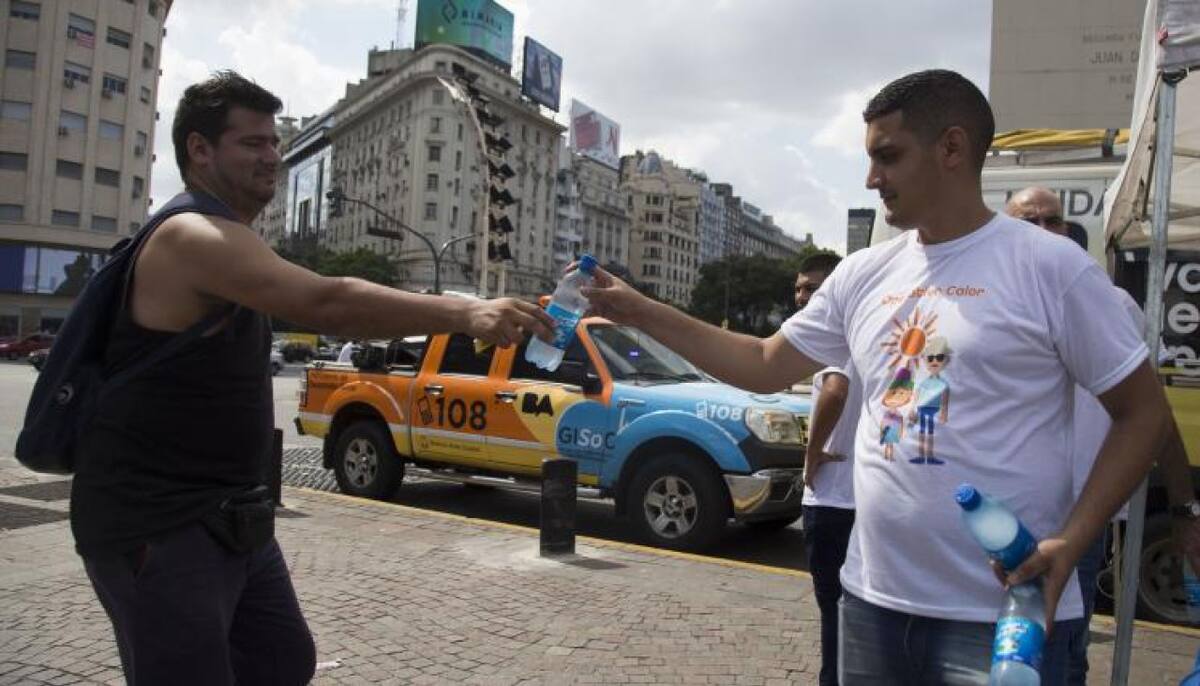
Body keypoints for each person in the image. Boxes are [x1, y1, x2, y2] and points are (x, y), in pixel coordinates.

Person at [578, 69, 1172, 684]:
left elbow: (1143, 414)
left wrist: (1072, 542)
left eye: (887, 156)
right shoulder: (864, 272)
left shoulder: (1051, 267)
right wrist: (639, 309)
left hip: (1005, 615)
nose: (871, 179)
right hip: (871, 602)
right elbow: (762, 364)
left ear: (951, 148)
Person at [69, 71, 554, 686]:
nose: (272, 157)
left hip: (231, 519)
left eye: (274, 142)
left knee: (279, 660)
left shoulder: (234, 239)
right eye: (252, 144)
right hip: (159, 526)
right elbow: (328, 302)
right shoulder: (191, 236)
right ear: (199, 150)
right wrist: (465, 311)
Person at [1007, 185, 1200, 685]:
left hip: (1077, 519)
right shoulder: (990, 303)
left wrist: (1183, 507)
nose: (1047, 233)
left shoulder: (1111, 303)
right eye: (1030, 223)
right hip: (995, 516)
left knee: (1060, 655)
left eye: (1055, 222)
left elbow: (1153, 416)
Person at [795, 252, 862, 686]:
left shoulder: (837, 340)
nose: (804, 297)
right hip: (862, 496)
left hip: (834, 497)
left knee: (834, 615)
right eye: (799, 288)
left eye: (814, 288)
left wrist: (811, 452)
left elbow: (835, 391)